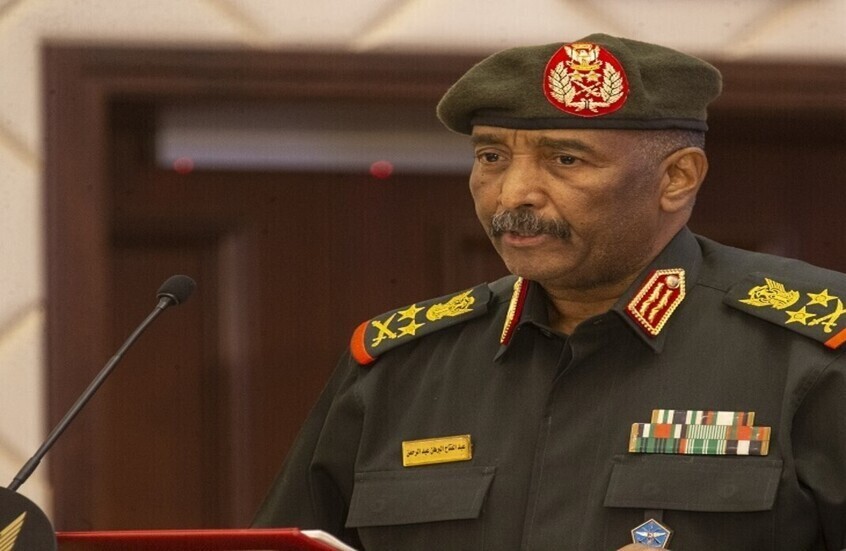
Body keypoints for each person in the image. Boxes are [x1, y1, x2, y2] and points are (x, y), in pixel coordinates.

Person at [253, 33, 846, 550]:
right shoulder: (399, 367)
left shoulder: (809, 352)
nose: (513, 194)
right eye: (491, 156)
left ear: (676, 178)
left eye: (565, 159)